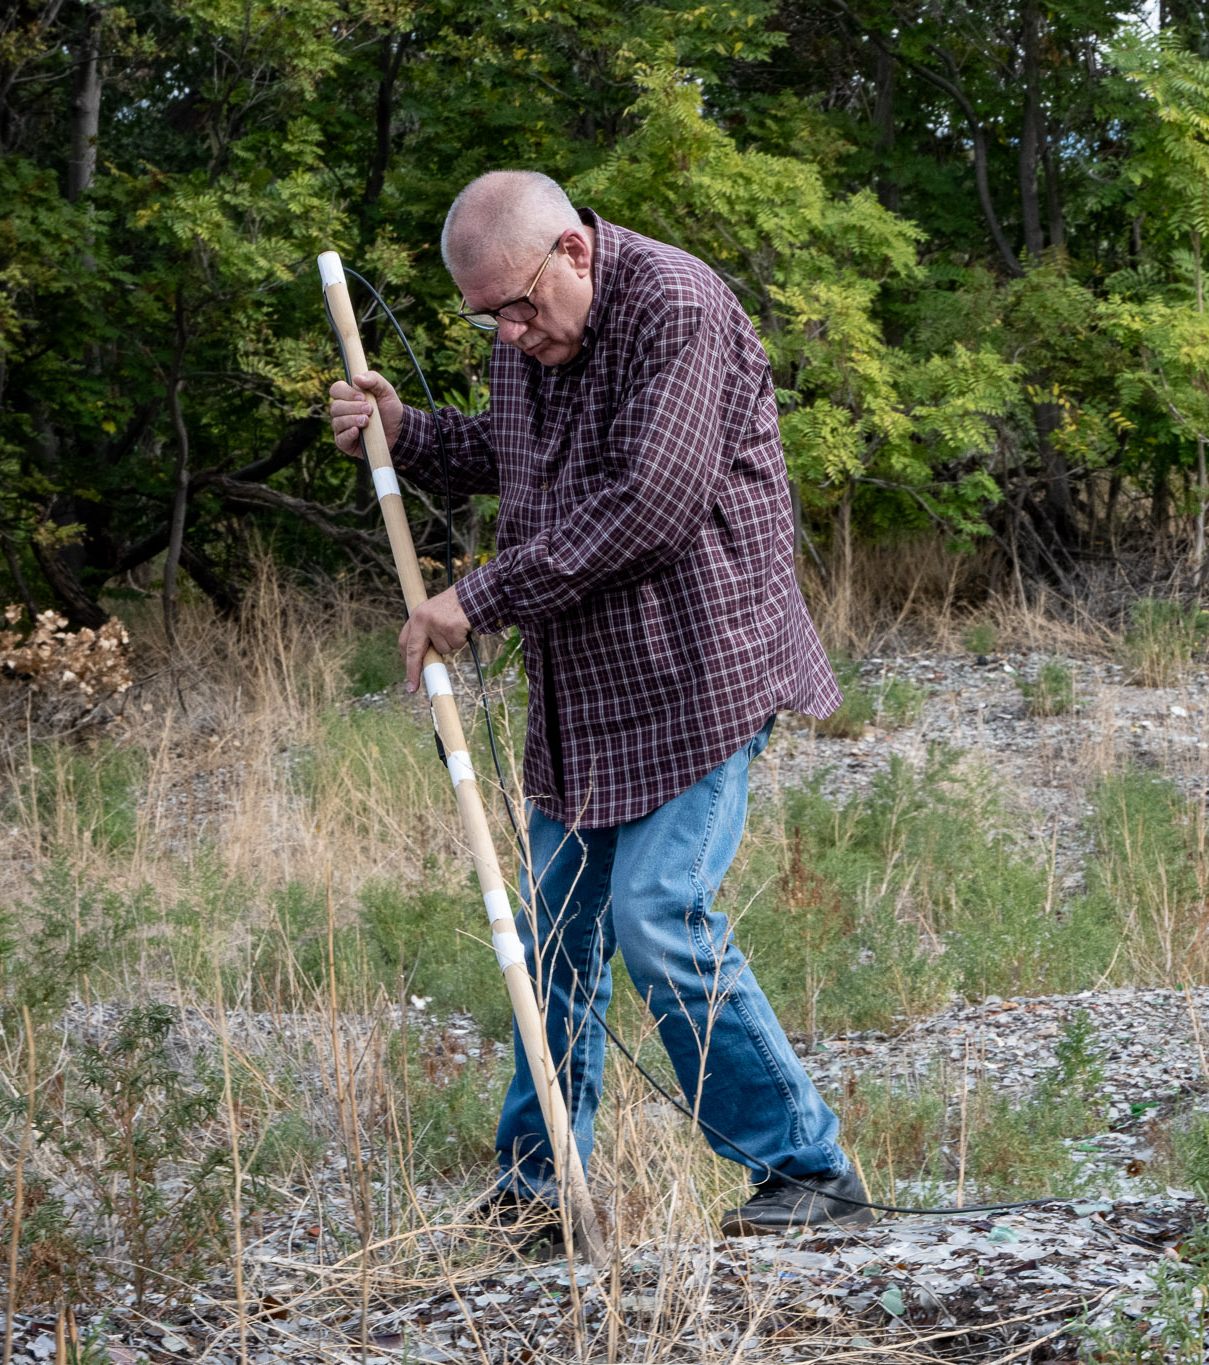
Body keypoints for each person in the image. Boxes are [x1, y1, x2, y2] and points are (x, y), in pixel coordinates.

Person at [326, 169, 871, 1239]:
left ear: (573, 252)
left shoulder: (677, 306)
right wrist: (409, 429)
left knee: (660, 917)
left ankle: (809, 1173)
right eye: (488, 318)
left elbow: (646, 506)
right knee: (553, 938)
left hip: (702, 671)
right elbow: (518, 459)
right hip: (586, 688)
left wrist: (471, 600)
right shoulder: (531, 331)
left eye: (519, 306)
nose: (510, 332)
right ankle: (544, 1195)